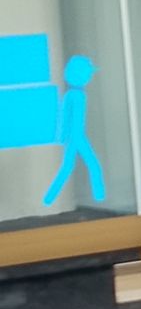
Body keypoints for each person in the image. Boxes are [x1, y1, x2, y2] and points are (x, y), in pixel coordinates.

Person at [42, 55, 105, 208]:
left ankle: (49, 199)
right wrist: (67, 137)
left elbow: (65, 118)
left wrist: (63, 136)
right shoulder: (76, 96)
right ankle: (100, 197)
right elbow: (70, 119)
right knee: (90, 165)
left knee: (70, 167)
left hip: (75, 137)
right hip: (77, 137)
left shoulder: (73, 95)